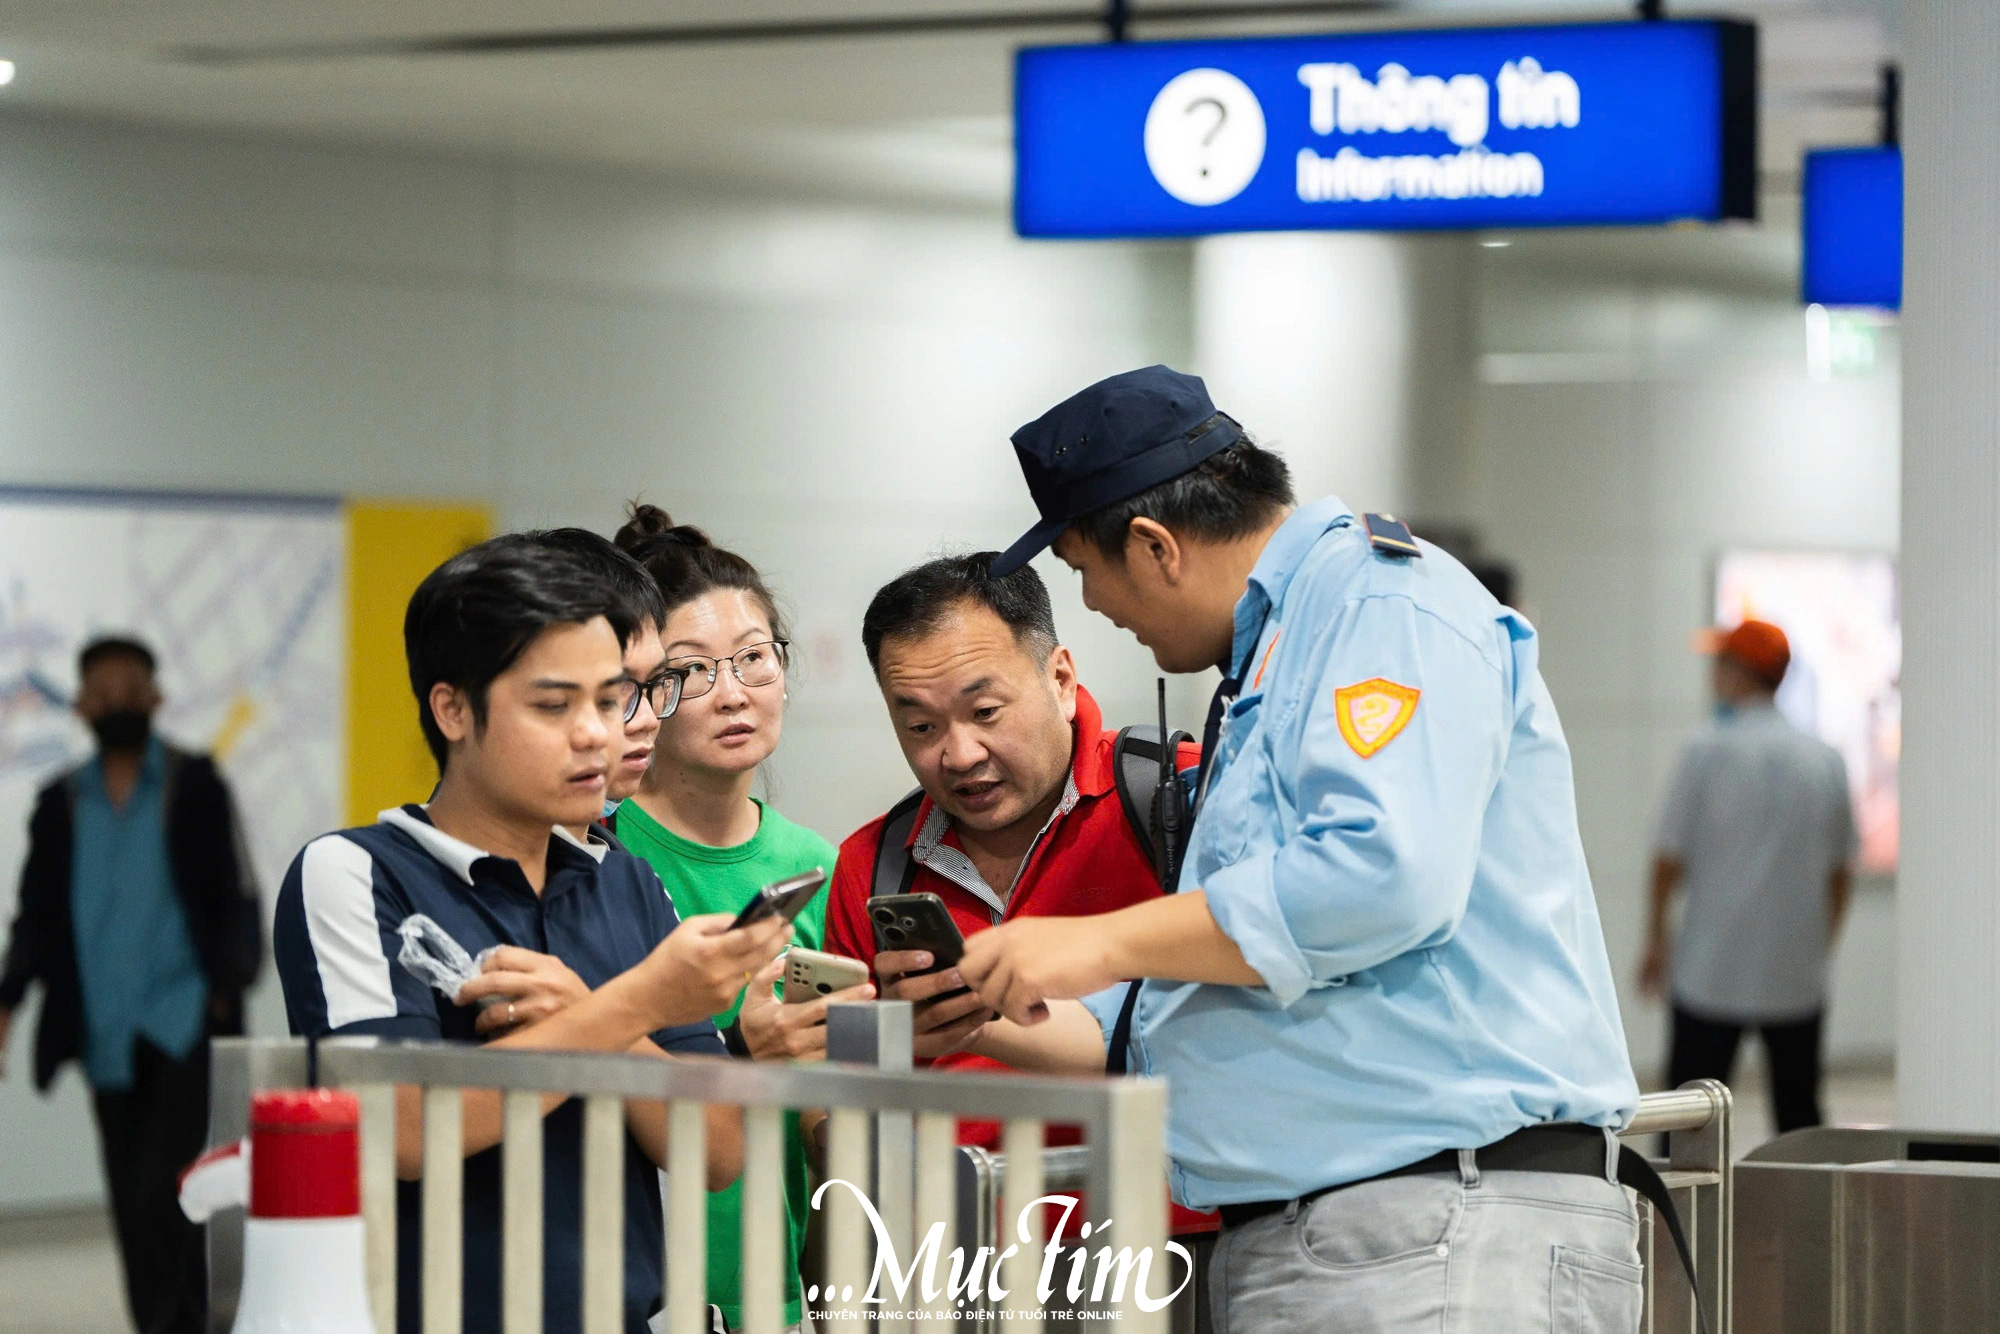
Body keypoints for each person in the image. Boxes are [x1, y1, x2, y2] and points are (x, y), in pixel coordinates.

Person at [954, 365, 1645, 1332]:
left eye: (1083, 572)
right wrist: (967, 1002)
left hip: (1434, 1231)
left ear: (1154, 548)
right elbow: (1213, 990)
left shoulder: (1381, 608)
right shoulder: (1278, 651)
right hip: (1359, 1236)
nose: (1096, 606)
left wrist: (1099, 940)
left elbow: (1382, 879)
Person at [272, 533, 790, 1334]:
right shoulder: (354, 873)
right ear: (452, 709)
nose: (597, 734)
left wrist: (598, 1019)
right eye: (554, 706)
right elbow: (399, 1127)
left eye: (611, 698)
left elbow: (717, 1150)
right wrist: (629, 1008)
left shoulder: (626, 880)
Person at [820, 552, 1213, 1243]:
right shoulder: (871, 867)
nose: (960, 753)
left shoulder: (1178, 800)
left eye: (985, 711)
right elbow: (838, 1139)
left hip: (1174, 1246)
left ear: (1060, 679)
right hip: (957, 1264)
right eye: (921, 728)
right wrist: (886, 1052)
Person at [604, 504, 857, 1333]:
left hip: (770, 1287)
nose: (733, 694)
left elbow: (825, 1126)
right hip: (634, 1288)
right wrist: (740, 1049)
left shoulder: (819, 865)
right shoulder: (597, 858)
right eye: (694, 670)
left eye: (754, 659)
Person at [0, 635, 262, 1334]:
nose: (116, 699)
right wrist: (8, 998)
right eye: (103, 688)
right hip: (102, 1031)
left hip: (182, 1022)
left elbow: (236, 894)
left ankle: (189, 1323)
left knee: (168, 1191)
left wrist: (229, 982)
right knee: (128, 1195)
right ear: (82, 703)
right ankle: (157, 1324)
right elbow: (36, 913)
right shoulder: (61, 803)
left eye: (129, 685)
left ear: (156, 697)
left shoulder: (195, 782)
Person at [1640, 617, 1856, 1134]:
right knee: (1799, 1117)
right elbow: (1841, 869)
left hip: (1711, 967)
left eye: (1719, 664)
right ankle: (1805, 1211)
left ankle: (1679, 1216)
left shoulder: (1705, 751)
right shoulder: (1824, 759)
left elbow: (1668, 856)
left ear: (1739, 673)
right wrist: (1820, 942)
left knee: (1687, 1118)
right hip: (1794, 972)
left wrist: (1655, 938)